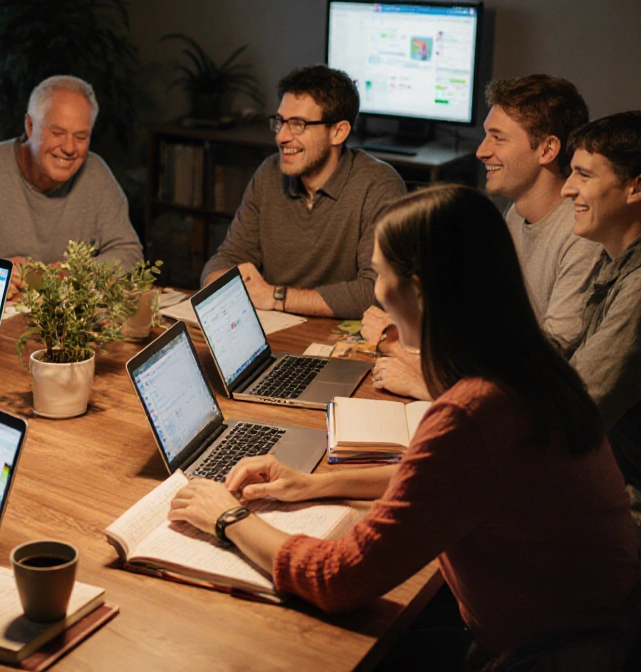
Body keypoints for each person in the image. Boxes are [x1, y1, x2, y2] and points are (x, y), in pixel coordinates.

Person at [170, 185, 640, 669]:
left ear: (417, 289)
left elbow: (337, 579)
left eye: (379, 274)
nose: (376, 291)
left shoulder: (475, 413)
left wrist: (227, 518)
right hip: (592, 634)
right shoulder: (528, 370)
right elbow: (440, 480)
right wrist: (314, 484)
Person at [364, 75, 599, 399]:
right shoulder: (515, 214)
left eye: (497, 138)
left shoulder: (580, 237)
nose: (481, 151)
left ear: (547, 148)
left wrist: (411, 362)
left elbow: (545, 363)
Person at [200, 65, 406, 319]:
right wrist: (219, 282)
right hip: (275, 331)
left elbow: (377, 292)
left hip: (337, 338)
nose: (282, 137)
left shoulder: (379, 185)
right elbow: (228, 257)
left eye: (298, 125)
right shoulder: (268, 174)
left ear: (338, 132)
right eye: (280, 122)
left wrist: (275, 296)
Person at [0, 75, 143, 298]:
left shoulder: (96, 175)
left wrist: (72, 274)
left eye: (81, 137)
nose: (70, 148)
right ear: (30, 126)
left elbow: (129, 253)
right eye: (57, 133)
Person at [562, 111, 641, 513]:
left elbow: (573, 413)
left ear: (635, 188)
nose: (566, 189)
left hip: (624, 510)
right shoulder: (611, 258)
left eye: (584, 175)